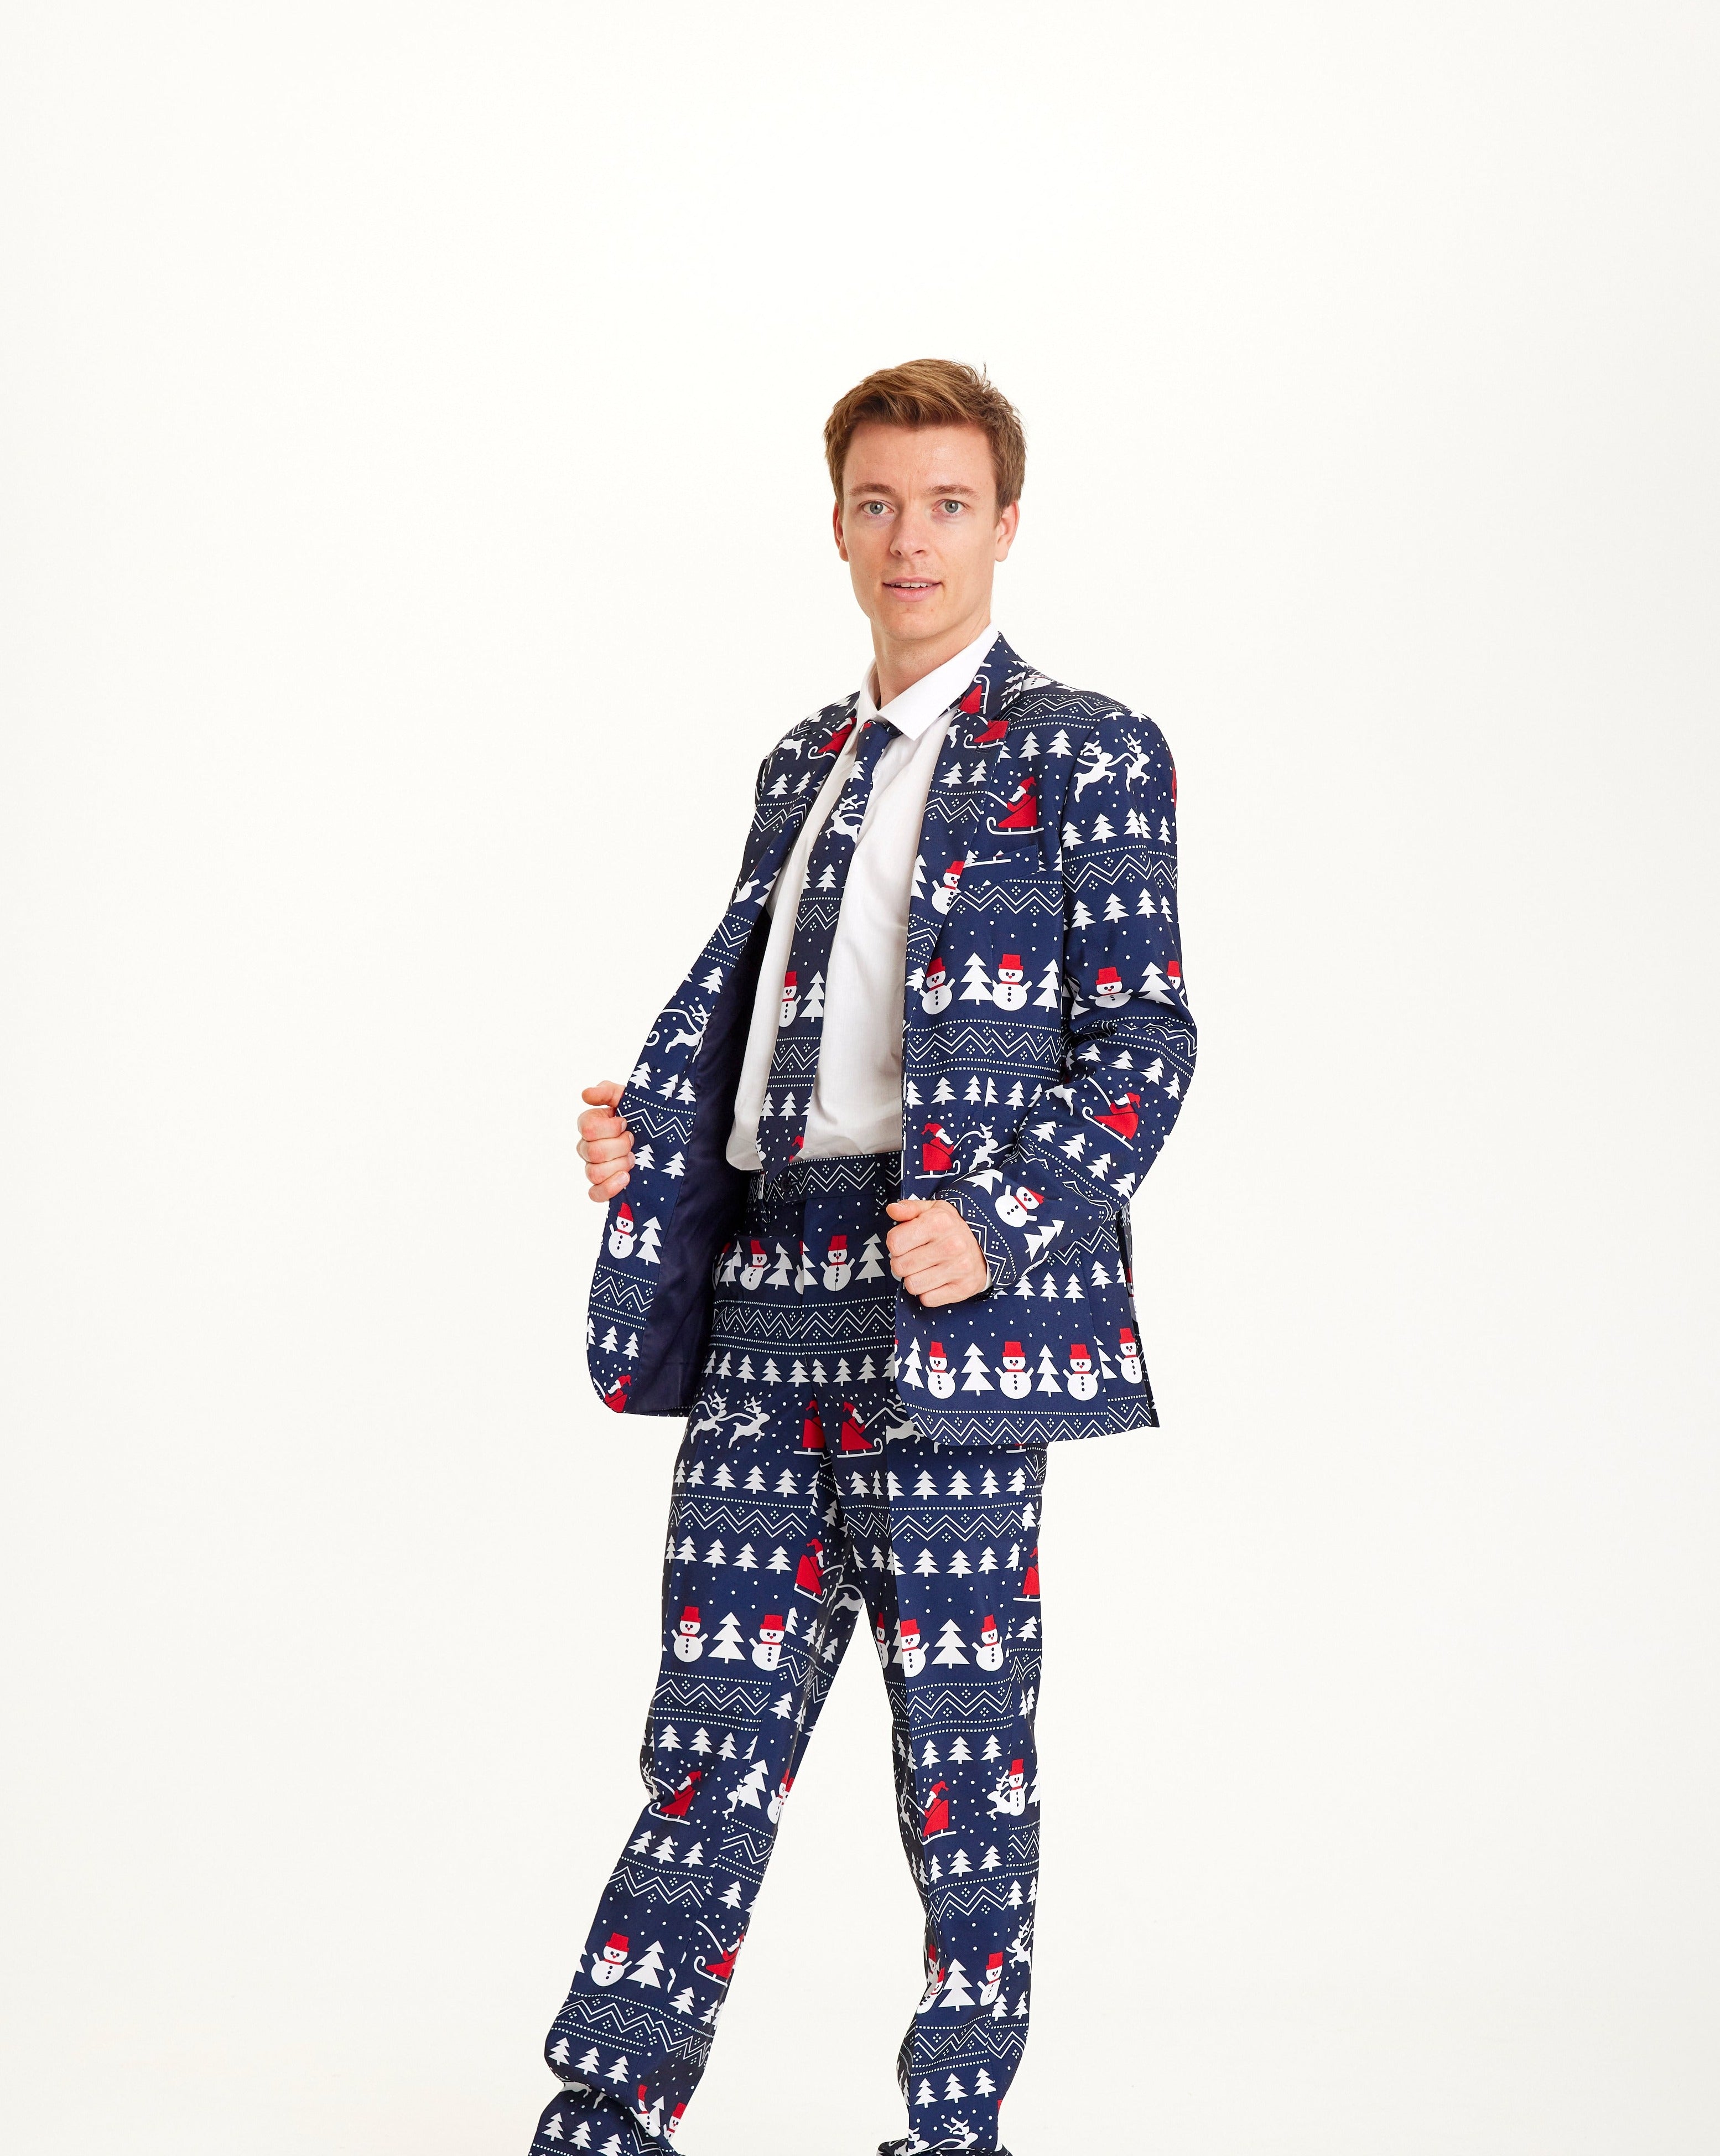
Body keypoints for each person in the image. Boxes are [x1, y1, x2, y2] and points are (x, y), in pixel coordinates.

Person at [531, 359, 1196, 2156]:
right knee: (705, 1742)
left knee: (962, 1768)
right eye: (882, 503)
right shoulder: (797, 764)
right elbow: (774, 1030)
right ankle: (607, 2113)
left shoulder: (1086, 748)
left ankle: (954, 2131)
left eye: (950, 504)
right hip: (770, 1289)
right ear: (837, 524)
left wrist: (1002, 1220)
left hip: (942, 1311)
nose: (913, 539)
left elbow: (1147, 1042)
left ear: (1006, 524)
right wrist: (660, 1148)